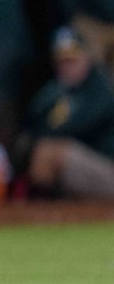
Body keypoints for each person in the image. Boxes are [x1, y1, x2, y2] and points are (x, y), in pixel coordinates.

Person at [22, 29, 114, 200]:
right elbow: (32, 120)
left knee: (52, 151)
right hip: (89, 169)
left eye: (72, 60)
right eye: (62, 62)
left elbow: (76, 126)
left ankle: (43, 206)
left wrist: (46, 131)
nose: (66, 67)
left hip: (108, 168)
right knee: (43, 149)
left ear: (86, 57)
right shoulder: (59, 92)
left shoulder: (100, 88)